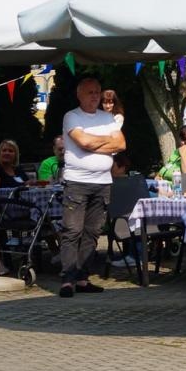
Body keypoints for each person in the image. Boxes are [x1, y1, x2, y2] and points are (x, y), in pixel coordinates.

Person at [58, 75, 124, 298]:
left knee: (93, 232)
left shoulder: (108, 117)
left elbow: (121, 144)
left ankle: (83, 278)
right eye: (90, 92)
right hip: (77, 181)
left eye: (97, 92)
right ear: (79, 94)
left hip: (103, 182)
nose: (95, 96)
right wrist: (105, 141)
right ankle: (68, 278)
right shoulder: (72, 116)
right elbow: (82, 142)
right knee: (72, 231)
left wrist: (92, 143)